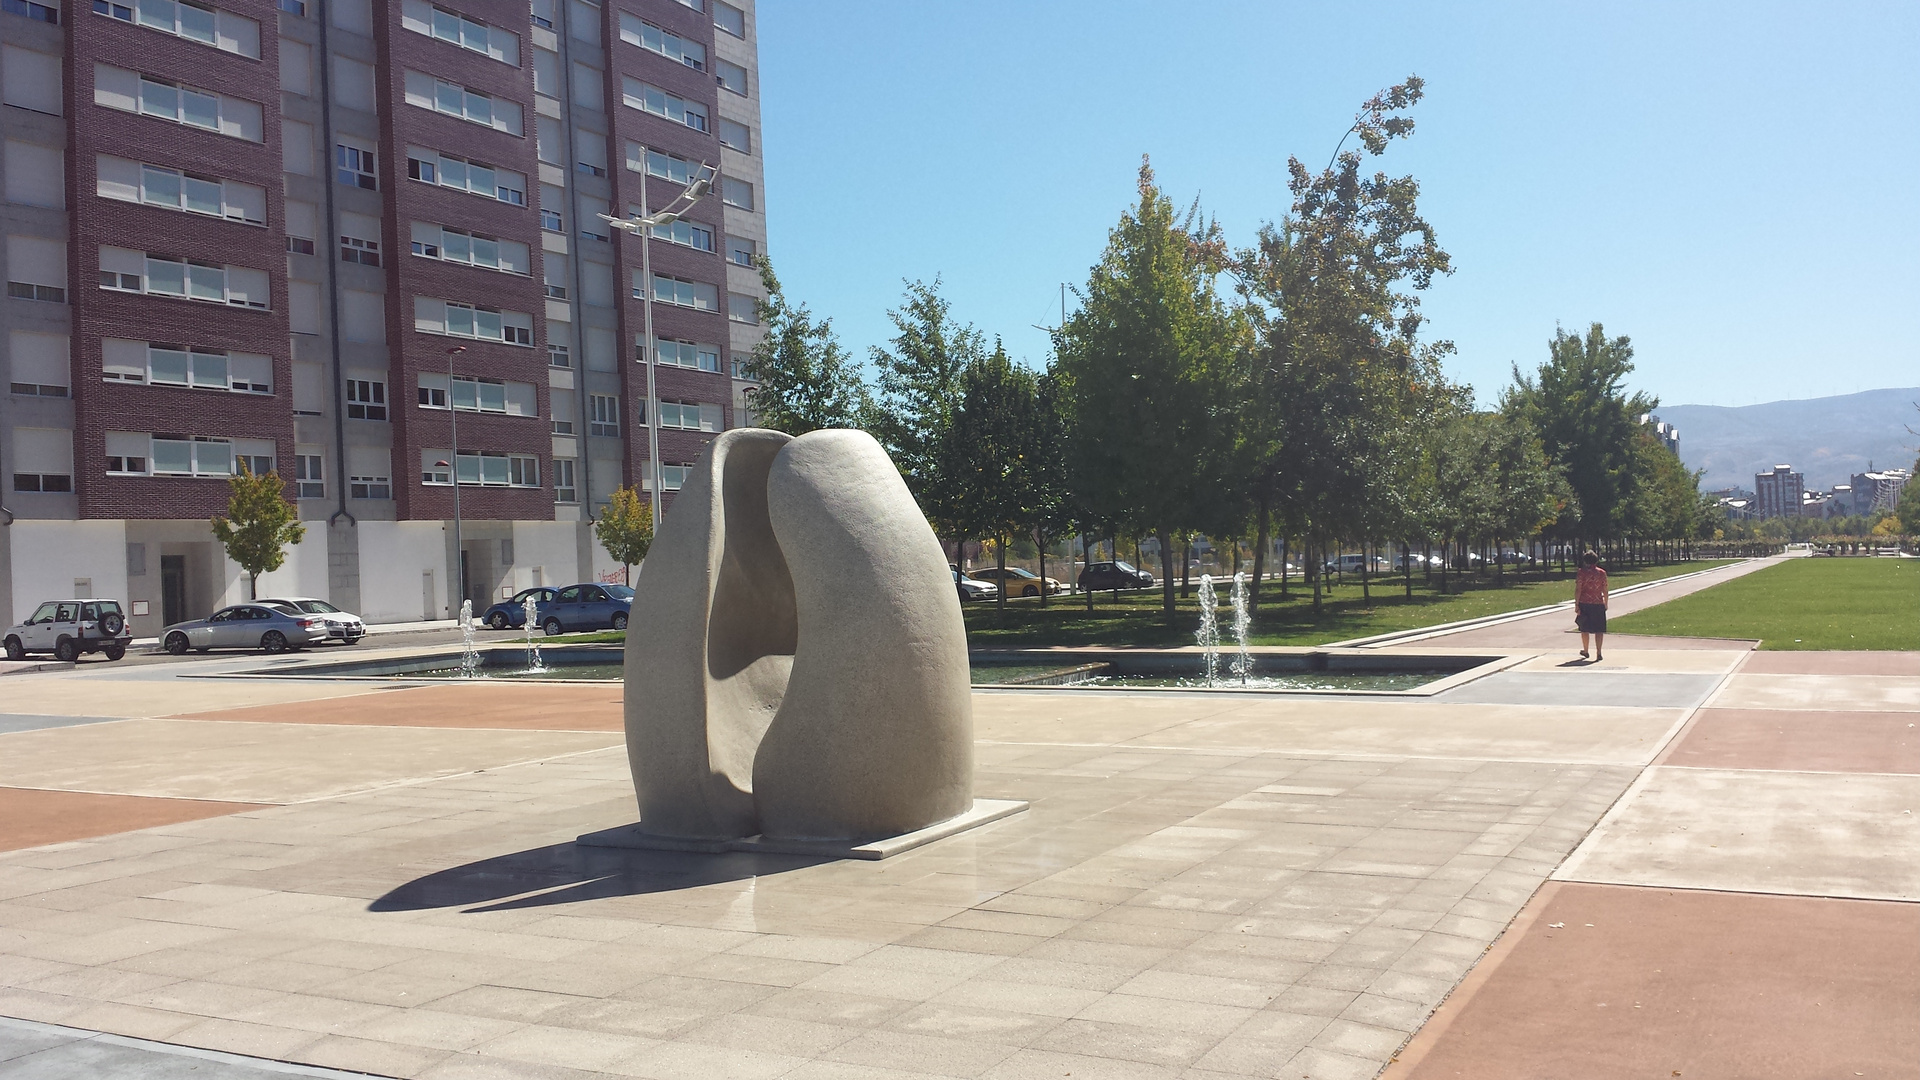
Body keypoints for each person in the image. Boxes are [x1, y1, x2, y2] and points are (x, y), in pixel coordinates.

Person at [1575, 550, 1608, 661]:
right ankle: (1599, 652)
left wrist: (1576, 604)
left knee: (1584, 628)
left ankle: (1586, 650)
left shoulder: (1581, 573)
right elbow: (1605, 589)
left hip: (1585, 602)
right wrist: (1606, 603)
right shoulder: (1602, 573)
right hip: (1598, 602)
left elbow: (1578, 589)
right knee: (1599, 629)